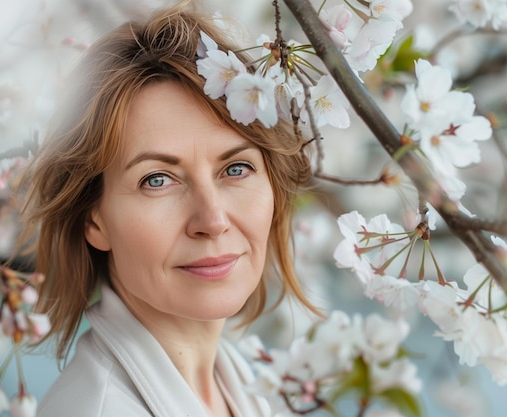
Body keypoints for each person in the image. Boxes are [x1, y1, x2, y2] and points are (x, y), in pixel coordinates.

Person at [19, 2, 321, 416]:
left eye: (236, 168)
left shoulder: (236, 386)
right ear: (94, 219)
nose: (212, 221)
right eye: (156, 180)